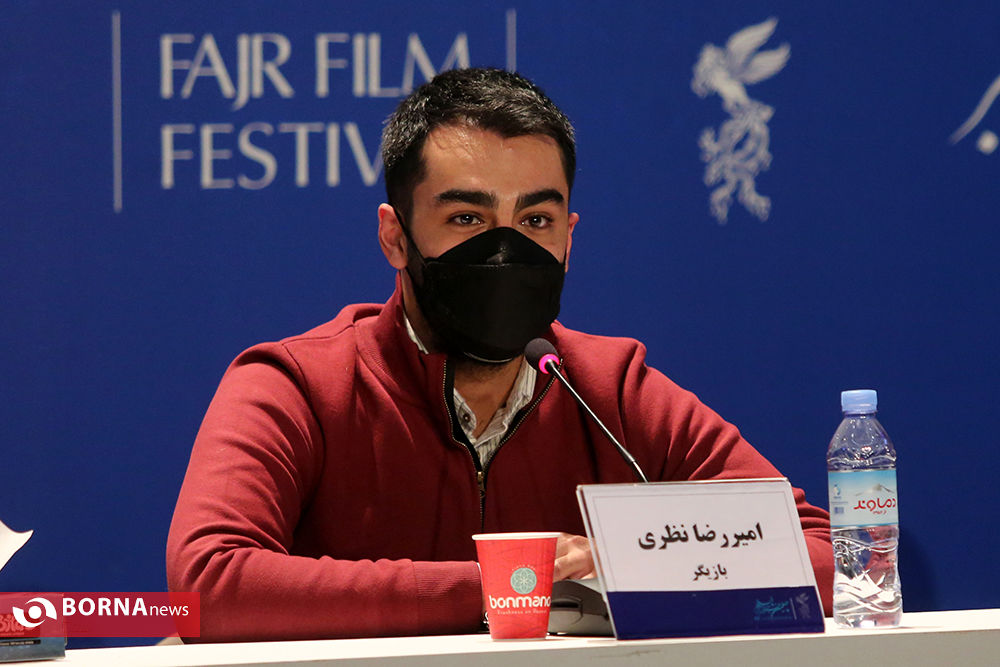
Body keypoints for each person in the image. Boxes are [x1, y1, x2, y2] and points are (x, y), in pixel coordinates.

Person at [166, 67, 833, 642]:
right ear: (394, 237)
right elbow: (206, 584)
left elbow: (825, 555)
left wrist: (628, 562)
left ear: (569, 239)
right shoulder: (300, 385)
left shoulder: (611, 390)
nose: (505, 250)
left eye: (536, 221)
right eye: (467, 219)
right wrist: (515, 584)